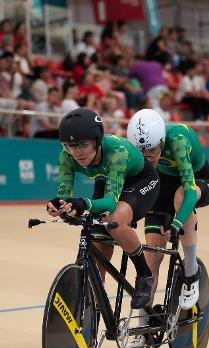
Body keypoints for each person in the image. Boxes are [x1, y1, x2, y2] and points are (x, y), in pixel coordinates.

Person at [47, 108, 160, 311]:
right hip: (107, 179)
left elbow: (109, 202)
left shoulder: (116, 150)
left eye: (83, 145)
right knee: (98, 242)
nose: (76, 152)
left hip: (140, 181)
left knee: (113, 221)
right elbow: (64, 193)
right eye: (70, 146)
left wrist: (83, 203)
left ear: (97, 141)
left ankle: (145, 274)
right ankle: (96, 312)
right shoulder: (67, 156)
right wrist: (59, 204)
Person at [127, 109, 209, 339]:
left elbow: (187, 192)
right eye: (141, 152)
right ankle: (143, 325)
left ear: (162, 141)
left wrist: (176, 223)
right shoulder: (137, 151)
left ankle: (190, 272)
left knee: (180, 196)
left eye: (153, 150)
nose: (147, 156)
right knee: (152, 255)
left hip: (198, 182)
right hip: (162, 185)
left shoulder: (177, 140)